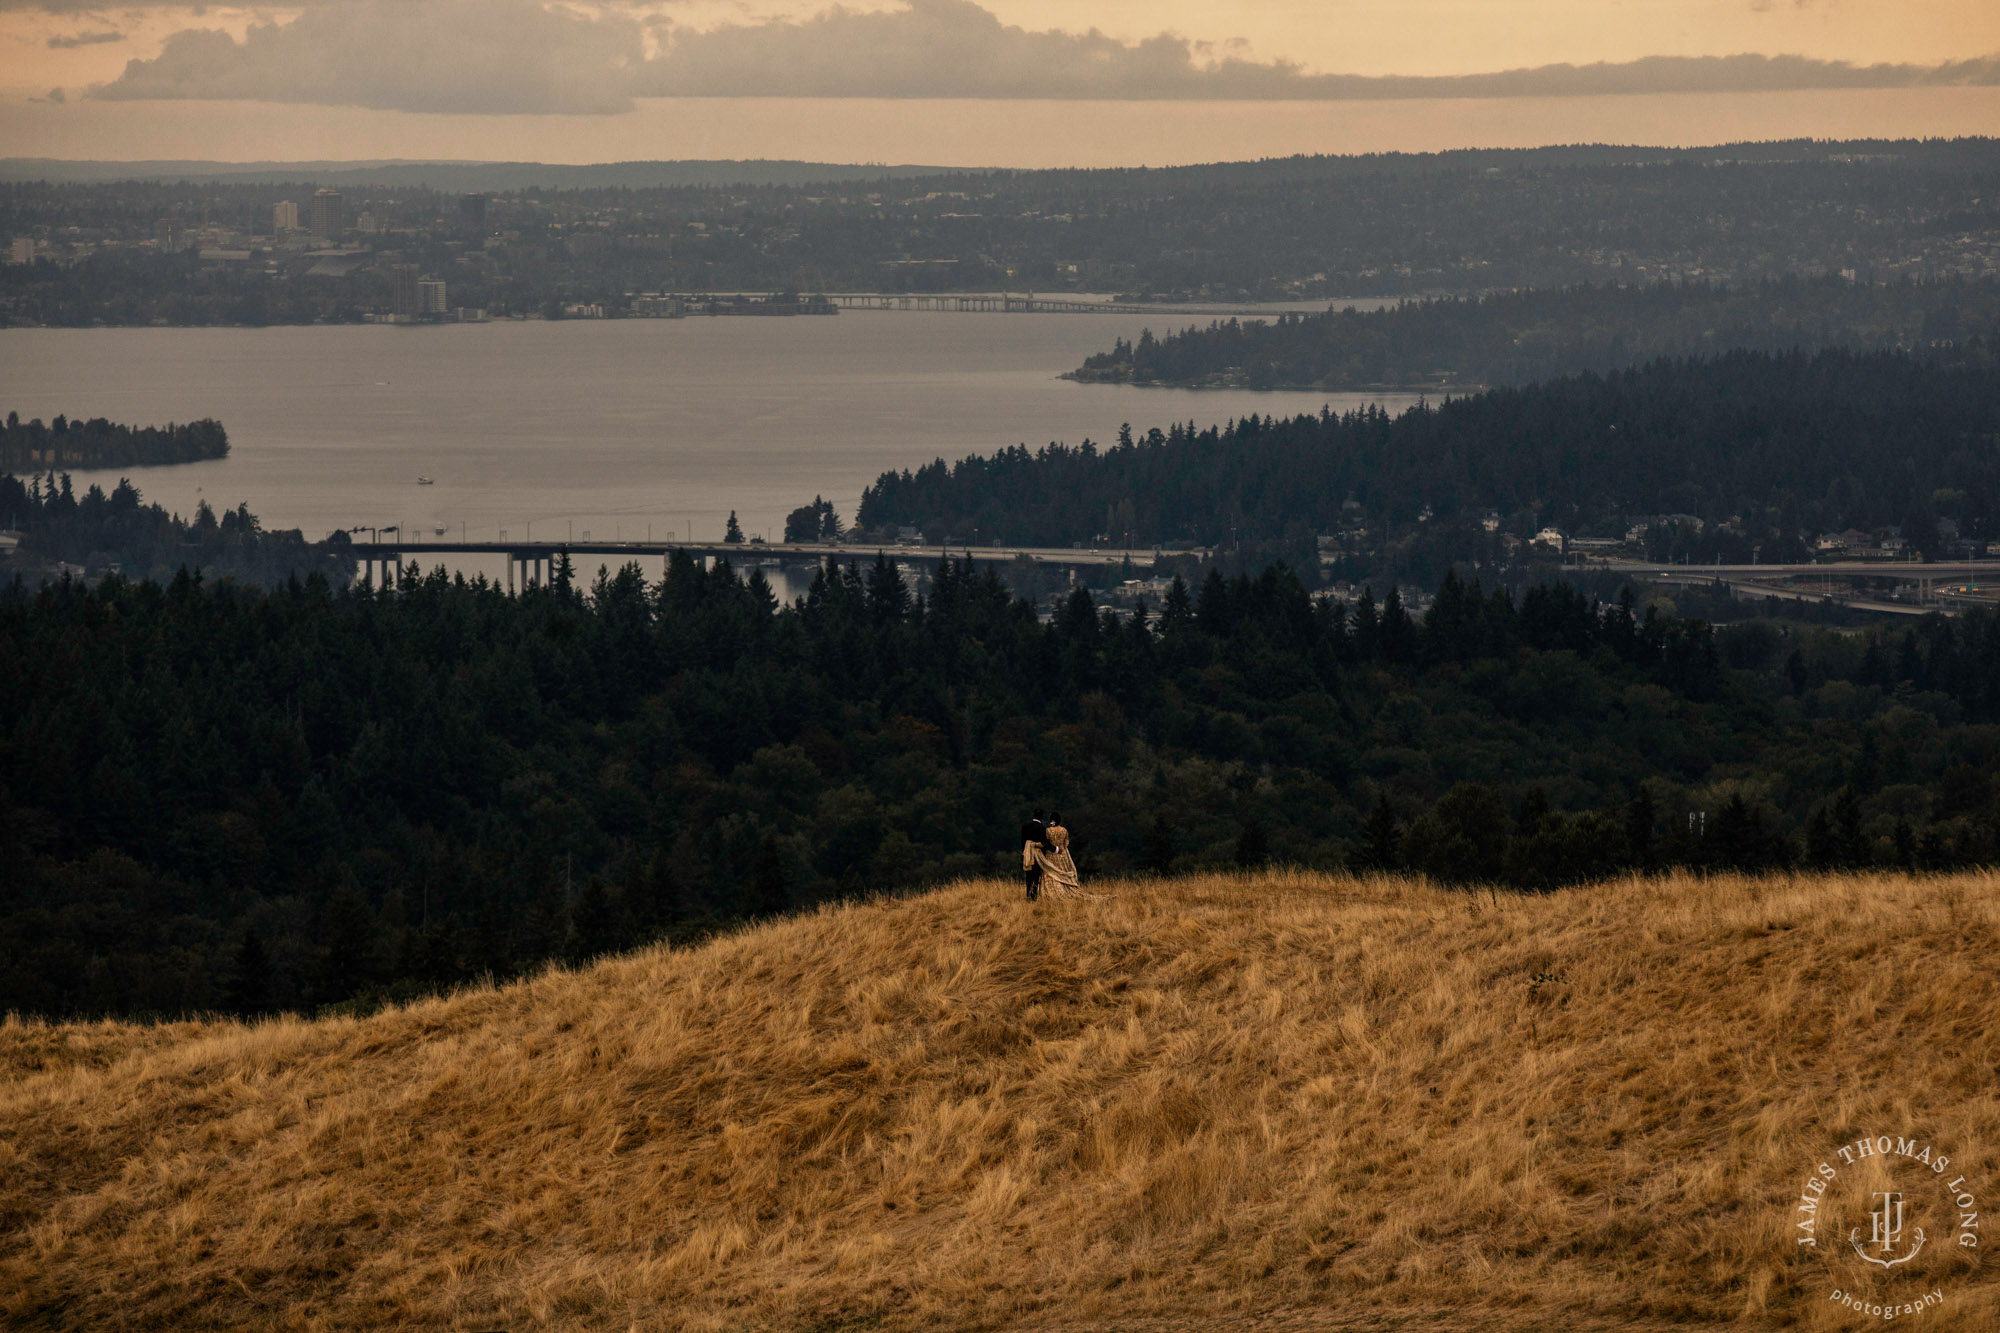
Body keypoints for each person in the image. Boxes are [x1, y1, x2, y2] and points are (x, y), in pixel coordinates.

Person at [1034, 810, 1095, 899]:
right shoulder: (1064, 830)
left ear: (1052, 820)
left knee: (1051, 873)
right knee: (1063, 873)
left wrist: (1033, 844)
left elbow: (1045, 844)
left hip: (1051, 856)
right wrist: (1061, 847)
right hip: (1063, 856)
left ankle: (1053, 893)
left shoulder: (1048, 830)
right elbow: (1066, 843)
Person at [1019, 807, 1050, 900]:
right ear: (1042, 818)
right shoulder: (1042, 828)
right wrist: (1055, 849)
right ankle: (1033, 896)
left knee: (1028, 876)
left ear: (1033, 815)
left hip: (1027, 854)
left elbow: (1022, 842)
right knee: (1036, 876)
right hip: (1037, 856)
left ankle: (1028, 894)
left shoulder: (1025, 826)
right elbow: (1044, 843)